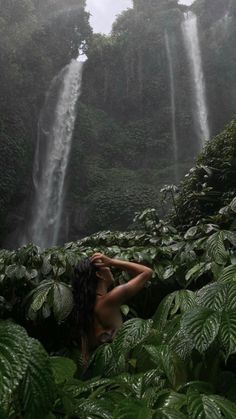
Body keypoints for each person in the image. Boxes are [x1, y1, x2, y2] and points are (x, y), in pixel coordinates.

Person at [72, 252, 153, 365]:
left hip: (97, 369)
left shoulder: (84, 308)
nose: (110, 269)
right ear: (99, 275)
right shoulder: (109, 300)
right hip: (118, 367)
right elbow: (147, 272)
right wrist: (112, 261)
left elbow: (85, 354)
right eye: (107, 266)